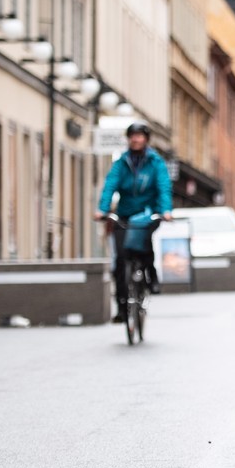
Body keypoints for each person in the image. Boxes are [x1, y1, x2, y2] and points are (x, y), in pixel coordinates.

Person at [94, 121, 173, 323]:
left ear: (146, 139)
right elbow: (110, 185)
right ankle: (122, 308)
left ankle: (151, 276)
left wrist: (165, 210)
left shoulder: (156, 163)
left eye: (139, 136)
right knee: (121, 259)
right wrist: (102, 209)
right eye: (132, 136)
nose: (136, 139)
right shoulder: (122, 163)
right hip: (125, 214)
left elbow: (163, 187)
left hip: (148, 213)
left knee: (143, 244)